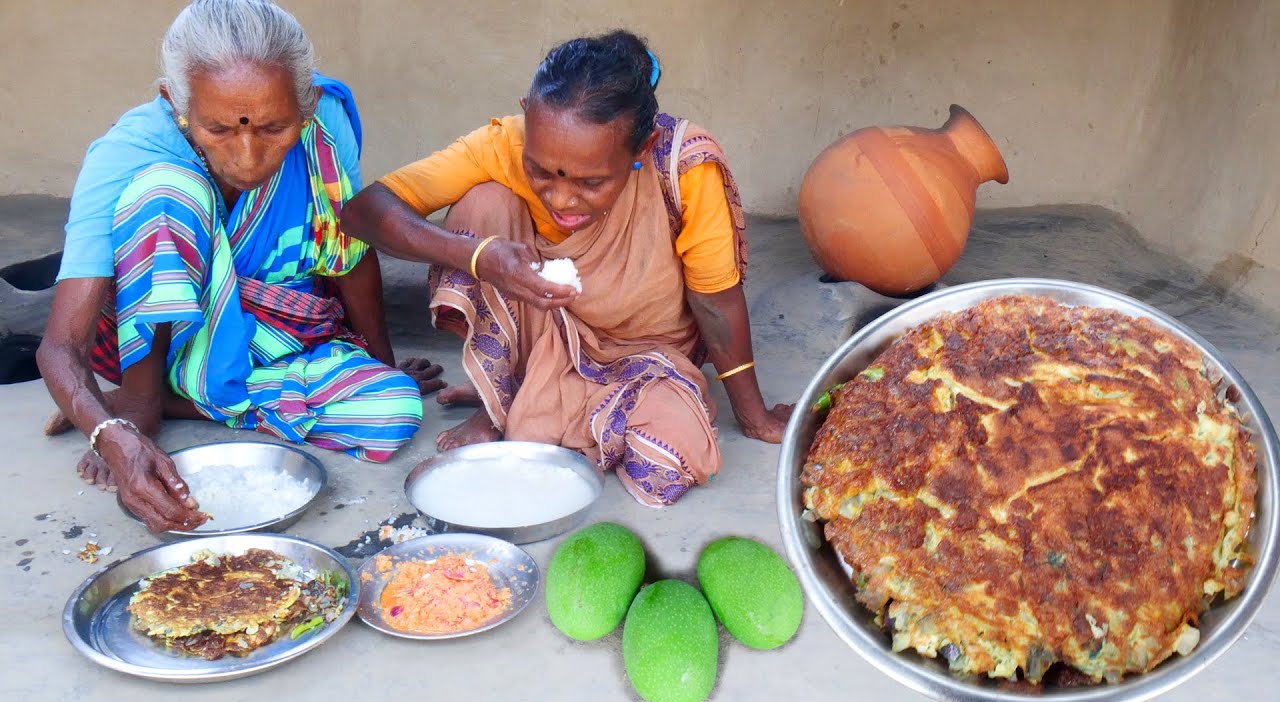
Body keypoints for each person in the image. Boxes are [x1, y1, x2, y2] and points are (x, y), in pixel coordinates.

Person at [37, 0, 443, 533]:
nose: (249, 157)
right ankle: (139, 399)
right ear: (173, 103)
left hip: (280, 341)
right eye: (219, 130)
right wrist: (107, 432)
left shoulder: (327, 123)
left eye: (274, 128)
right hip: (171, 334)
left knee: (392, 409)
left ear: (308, 104)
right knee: (166, 190)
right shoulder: (125, 155)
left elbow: (350, 254)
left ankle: (178, 403)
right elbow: (60, 345)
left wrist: (380, 363)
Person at [341, 31, 792, 507]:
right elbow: (364, 211)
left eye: (591, 182)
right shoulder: (504, 141)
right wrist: (477, 256)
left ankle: (528, 407)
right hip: (540, 333)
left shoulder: (683, 166)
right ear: (527, 116)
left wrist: (753, 415)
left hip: (644, 354)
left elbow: (716, 303)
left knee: (669, 462)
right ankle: (505, 402)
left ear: (643, 147)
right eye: (541, 171)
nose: (561, 199)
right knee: (484, 205)